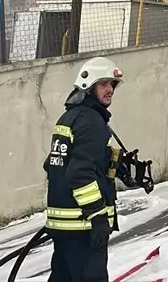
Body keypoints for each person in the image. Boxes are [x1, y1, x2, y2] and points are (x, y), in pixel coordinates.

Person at [44, 56, 124, 282]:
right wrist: (98, 216)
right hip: (84, 226)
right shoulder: (92, 123)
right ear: (88, 87)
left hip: (63, 225)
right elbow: (79, 174)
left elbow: (53, 164)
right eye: (103, 84)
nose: (110, 90)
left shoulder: (68, 118)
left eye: (112, 85)